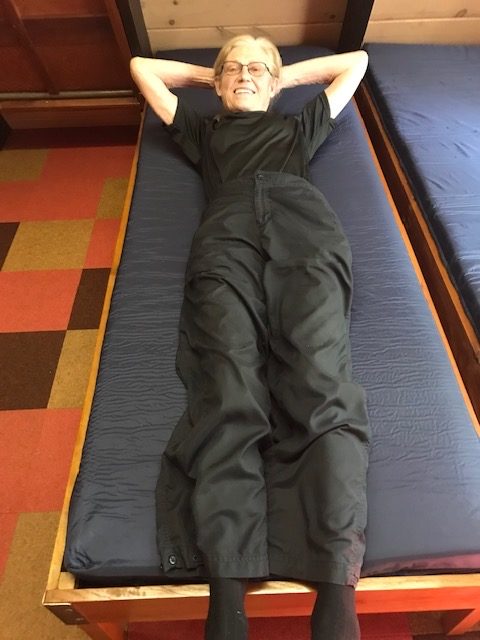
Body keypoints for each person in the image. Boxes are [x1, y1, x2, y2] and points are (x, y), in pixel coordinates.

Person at [130, 35, 370, 640]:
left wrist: (278, 77)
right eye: (233, 68)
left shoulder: (301, 127)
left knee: (320, 381)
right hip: (227, 233)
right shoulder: (202, 129)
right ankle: (228, 599)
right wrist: (215, 77)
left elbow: (355, 63)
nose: (246, 74)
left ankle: (336, 598)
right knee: (228, 384)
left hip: (304, 227)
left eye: (256, 68)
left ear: (277, 79)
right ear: (216, 83)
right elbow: (141, 68)